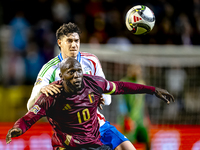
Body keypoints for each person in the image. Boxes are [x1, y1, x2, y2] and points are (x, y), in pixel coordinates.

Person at [6, 57, 174, 150]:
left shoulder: (94, 83)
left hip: (93, 143)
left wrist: (152, 90)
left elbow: (121, 87)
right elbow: (30, 116)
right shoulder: (52, 95)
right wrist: (17, 128)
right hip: (67, 146)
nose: (77, 75)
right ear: (61, 76)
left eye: (79, 71)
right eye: (71, 72)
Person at [26, 22, 135, 150]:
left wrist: (95, 95)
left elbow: (107, 100)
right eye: (69, 41)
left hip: (97, 125)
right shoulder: (50, 69)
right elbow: (30, 106)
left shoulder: (91, 61)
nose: (74, 45)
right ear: (60, 43)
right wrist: (41, 90)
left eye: (76, 41)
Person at [119, 64, 150, 150]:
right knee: (128, 143)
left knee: (147, 141)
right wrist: (127, 119)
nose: (138, 72)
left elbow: (143, 103)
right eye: (135, 69)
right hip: (129, 119)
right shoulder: (123, 83)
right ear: (129, 70)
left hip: (140, 119)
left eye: (139, 69)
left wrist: (146, 117)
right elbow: (122, 103)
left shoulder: (141, 83)